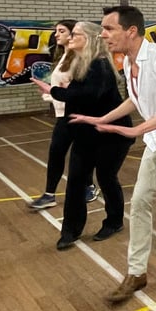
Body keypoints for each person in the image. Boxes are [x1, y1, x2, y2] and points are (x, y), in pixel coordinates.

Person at [73, 6, 156, 301]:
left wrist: (137, 131)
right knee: (138, 203)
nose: (104, 35)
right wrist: (102, 119)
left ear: (131, 31)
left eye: (109, 29)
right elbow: (134, 100)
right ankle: (136, 273)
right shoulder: (126, 62)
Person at [31, 22, 134, 250]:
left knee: (106, 178)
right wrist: (61, 93)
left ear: (89, 38)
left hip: (111, 134)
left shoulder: (100, 65)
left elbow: (88, 95)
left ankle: (114, 221)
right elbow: (78, 96)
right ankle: (70, 231)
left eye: (74, 34)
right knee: (76, 181)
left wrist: (53, 91)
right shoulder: (80, 63)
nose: (69, 38)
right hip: (85, 132)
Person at [30, 19, 100, 211]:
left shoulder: (80, 59)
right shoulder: (65, 57)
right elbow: (62, 89)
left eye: (61, 31)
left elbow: (77, 91)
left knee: (81, 155)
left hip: (79, 115)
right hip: (63, 114)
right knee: (56, 153)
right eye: (56, 31)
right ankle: (49, 194)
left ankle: (89, 186)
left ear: (73, 35)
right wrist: (49, 95)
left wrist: (55, 92)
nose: (56, 34)